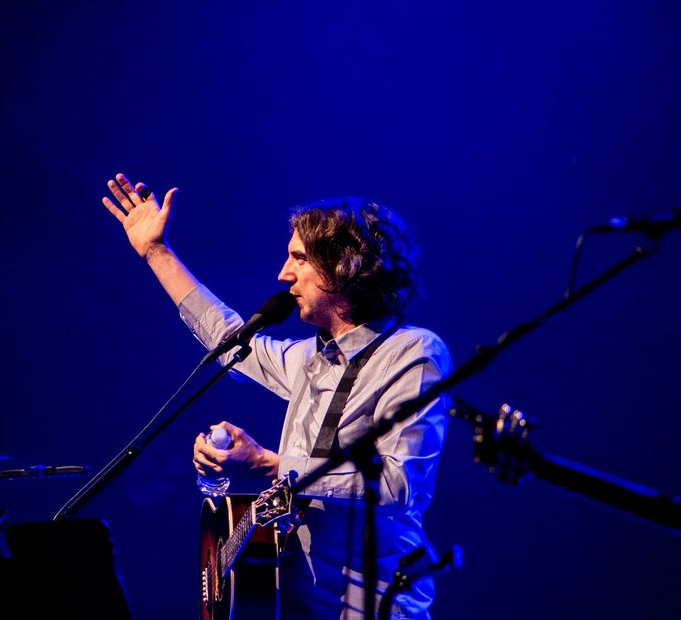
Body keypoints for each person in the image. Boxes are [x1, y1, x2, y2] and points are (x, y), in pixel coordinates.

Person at [100, 178, 451, 619]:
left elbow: (401, 486)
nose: (284, 274)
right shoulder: (308, 358)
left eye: (299, 258)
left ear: (345, 265)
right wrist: (156, 253)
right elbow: (229, 338)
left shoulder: (414, 352)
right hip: (294, 602)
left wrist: (271, 464)